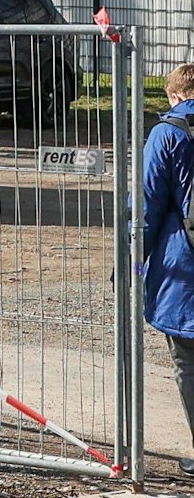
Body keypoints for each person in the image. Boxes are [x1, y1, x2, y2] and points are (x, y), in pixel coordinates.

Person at [144, 61, 194, 475]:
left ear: (175, 96)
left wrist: (134, 255)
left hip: (186, 268)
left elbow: (150, 205)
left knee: (188, 362)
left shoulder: (168, 133)